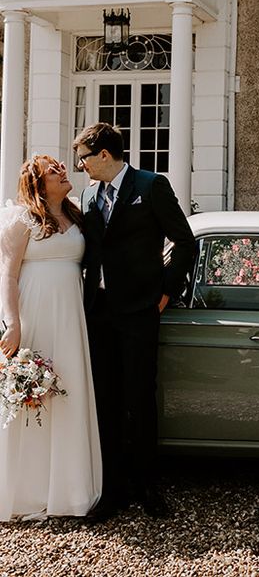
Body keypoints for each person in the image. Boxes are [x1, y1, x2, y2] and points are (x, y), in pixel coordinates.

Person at [73, 123, 195, 520]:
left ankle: (147, 487)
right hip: (100, 312)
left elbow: (184, 240)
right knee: (105, 401)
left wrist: (165, 291)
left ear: (104, 155)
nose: (81, 165)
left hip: (141, 311)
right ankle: (112, 491)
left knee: (140, 399)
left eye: (85, 158)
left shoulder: (151, 185)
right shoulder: (89, 194)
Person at [0, 156, 102, 521]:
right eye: (53, 170)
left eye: (61, 166)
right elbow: (8, 277)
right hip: (36, 315)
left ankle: (69, 489)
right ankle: (29, 490)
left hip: (71, 319)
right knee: (35, 398)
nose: (63, 171)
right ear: (39, 183)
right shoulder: (21, 220)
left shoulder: (77, 216)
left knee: (69, 393)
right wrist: (13, 323)